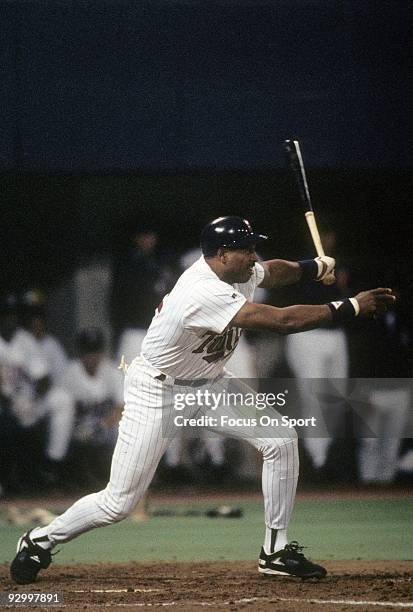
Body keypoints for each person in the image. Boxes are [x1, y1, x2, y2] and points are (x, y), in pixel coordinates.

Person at [10, 216, 395, 585]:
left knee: (281, 439)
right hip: (159, 392)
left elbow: (274, 271)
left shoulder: (239, 269)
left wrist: (314, 266)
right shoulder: (201, 290)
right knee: (118, 504)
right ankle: (40, 540)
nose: (253, 256)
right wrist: (352, 305)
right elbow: (282, 321)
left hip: (211, 384)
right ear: (222, 254)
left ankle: (275, 552)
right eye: (246, 250)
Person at [0, 293, 74, 491]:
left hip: (27, 402)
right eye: (5, 315)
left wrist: (33, 401)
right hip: (4, 405)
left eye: (12, 315)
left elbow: (43, 378)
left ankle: (53, 466)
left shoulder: (24, 340)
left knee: (62, 399)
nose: (9, 320)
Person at [60, 328, 124, 487]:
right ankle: (62, 473)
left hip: (106, 424)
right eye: (87, 352)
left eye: (95, 351)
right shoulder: (70, 372)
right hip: (79, 426)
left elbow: (122, 406)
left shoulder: (112, 371)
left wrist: (101, 426)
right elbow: (62, 406)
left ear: (102, 352)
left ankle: (121, 478)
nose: (91, 357)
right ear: (80, 352)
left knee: (125, 429)